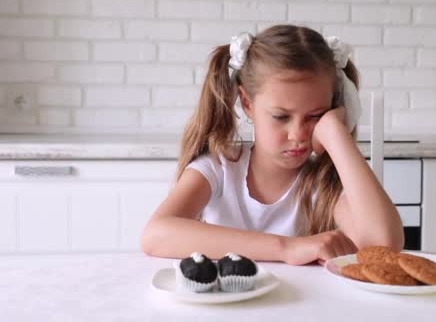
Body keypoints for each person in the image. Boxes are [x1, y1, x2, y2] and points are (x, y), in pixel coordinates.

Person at [140, 24, 404, 265]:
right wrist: (286, 248)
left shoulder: (323, 185)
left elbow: (384, 246)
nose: (298, 134)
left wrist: (336, 135)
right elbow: (155, 235)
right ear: (247, 103)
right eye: (281, 117)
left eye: (315, 116)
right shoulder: (218, 169)